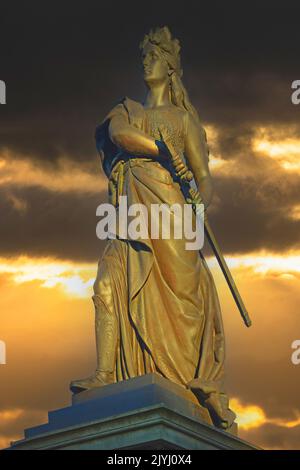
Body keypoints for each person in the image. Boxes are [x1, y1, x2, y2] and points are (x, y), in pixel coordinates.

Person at [70, 26, 236, 430]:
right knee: (107, 284)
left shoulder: (183, 121)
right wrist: (162, 150)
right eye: (144, 56)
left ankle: (179, 382)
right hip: (130, 214)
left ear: (170, 67)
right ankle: (106, 374)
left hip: (171, 217)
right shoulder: (127, 111)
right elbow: (120, 137)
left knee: (183, 299)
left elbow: (204, 177)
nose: (146, 62)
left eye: (153, 56)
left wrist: (200, 201)